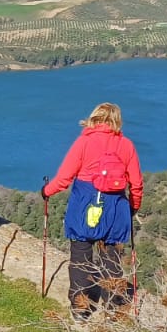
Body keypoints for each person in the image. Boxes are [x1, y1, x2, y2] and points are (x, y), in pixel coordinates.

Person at [42, 102, 144, 318]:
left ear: (94, 118)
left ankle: (81, 308)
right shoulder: (127, 145)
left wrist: (46, 191)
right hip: (116, 209)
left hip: (85, 205)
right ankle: (113, 308)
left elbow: (64, 178)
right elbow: (136, 184)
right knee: (112, 259)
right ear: (117, 121)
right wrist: (133, 208)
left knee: (81, 257)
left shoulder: (83, 143)